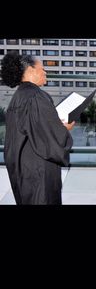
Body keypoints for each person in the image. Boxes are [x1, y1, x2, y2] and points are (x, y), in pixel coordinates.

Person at [1, 52, 75, 205]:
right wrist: (64, 129)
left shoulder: (18, 97)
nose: (45, 72)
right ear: (30, 70)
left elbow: (35, 129)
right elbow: (52, 140)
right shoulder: (37, 97)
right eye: (42, 69)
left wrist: (54, 125)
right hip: (38, 171)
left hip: (21, 168)